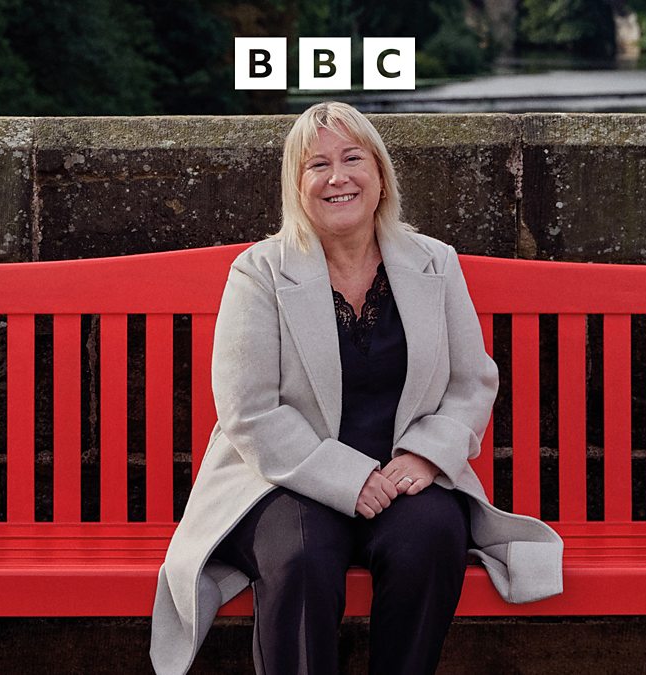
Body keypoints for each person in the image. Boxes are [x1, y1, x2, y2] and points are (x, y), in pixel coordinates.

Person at [150, 102, 563, 675]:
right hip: (283, 481)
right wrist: (348, 479)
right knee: (301, 558)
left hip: (401, 476)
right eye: (317, 164)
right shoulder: (260, 271)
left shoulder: (434, 263)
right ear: (297, 186)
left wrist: (428, 455)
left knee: (431, 539)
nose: (337, 177)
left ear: (380, 175)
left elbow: (472, 380)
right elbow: (249, 410)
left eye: (352, 159)